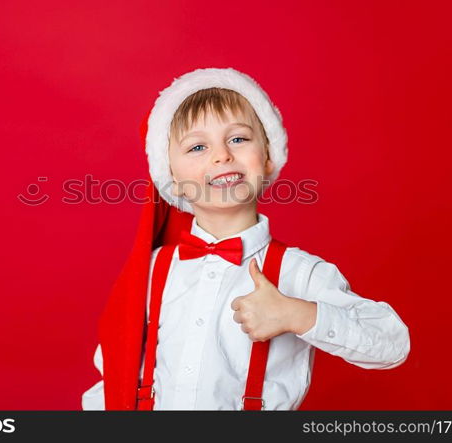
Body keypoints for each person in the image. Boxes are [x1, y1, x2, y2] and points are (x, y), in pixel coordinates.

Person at [82, 67, 410, 410]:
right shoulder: (150, 273)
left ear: (267, 158)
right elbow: (112, 379)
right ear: (172, 178)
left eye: (238, 139)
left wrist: (298, 315)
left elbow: (392, 344)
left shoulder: (299, 274)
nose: (221, 155)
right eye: (197, 146)